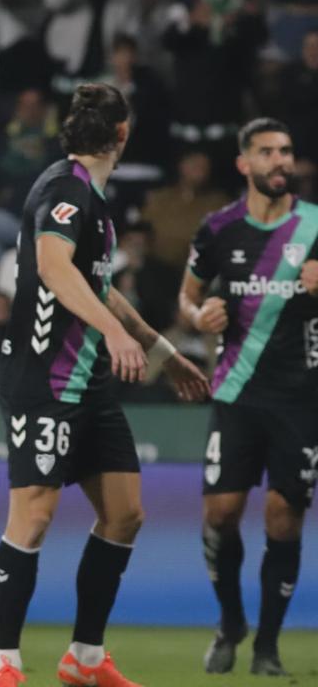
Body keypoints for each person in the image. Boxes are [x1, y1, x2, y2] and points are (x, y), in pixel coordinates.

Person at [0, 84, 209, 687]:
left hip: (86, 383)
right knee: (32, 516)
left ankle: (84, 658)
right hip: (44, 379)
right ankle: (5, 665)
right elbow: (56, 267)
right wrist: (115, 335)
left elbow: (98, 285)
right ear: (123, 134)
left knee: (126, 513)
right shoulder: (65, 189)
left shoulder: (91, 200)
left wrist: (161, 351)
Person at [178, 118, 318, 677]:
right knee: (221, 513)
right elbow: (186, 299)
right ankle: (231, 620)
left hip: (301, 400)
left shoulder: (314, 226)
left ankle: (267, 647)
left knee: (283, 519)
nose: (281, 161)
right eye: (268, 152)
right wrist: (199, 314)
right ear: (245, 165)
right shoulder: (218, 229)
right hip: (235, 393)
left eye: (286, 151)